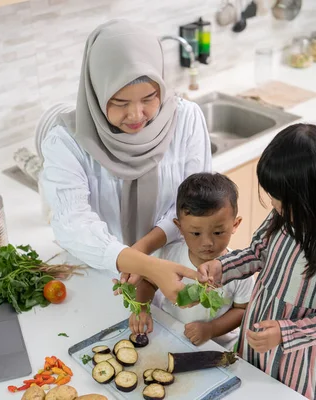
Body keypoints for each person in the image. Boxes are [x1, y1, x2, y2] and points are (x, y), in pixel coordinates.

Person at [39, 19, 212, 302]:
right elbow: (72, 224)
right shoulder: (67, 142)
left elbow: (197, 204)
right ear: (96, 92)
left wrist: (142, 252)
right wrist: (139, 263)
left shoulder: (187, 120)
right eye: (120, 102)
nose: (136, 115)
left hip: (175, 272)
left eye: (149, 97)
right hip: (102, 279)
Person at [198, 124, 316, 400]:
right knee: (251, 388)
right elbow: (256, 253)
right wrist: (222, 267)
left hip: (301, 355)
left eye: (282, 199)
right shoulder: (282, 218)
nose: (274, 205)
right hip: (260, 332)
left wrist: (286, 333)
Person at [128, 173, 254, 350]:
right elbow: (149, 282)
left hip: (216, 347)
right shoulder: (169, 255)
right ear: (179, 227)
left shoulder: (240, 269)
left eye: (218, 233)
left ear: (235, 224)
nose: (207, 243)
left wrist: (210, 330)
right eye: (196, 233)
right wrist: (141, 308)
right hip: (170, 335)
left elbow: (242, 310)